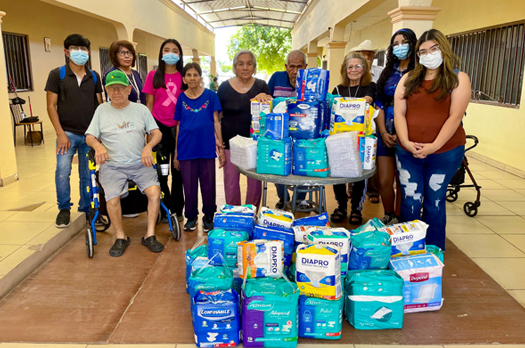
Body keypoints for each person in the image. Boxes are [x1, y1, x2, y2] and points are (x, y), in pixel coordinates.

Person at [394, 29, 470, 250]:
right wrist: (406, 142)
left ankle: (434, 251)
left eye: (433, 49)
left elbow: (455, 116)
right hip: (407, 151)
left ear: (444, 49)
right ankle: (405, 249)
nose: (428, 54)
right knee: (410, 199)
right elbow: (399, 113)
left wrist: (433, 146)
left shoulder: (458, 79)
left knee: (434, 202)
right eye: (423, 51)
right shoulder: (408, 79)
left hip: (445, 153)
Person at [86, 70, 164, 257]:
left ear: (129, 89)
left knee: (154, 193)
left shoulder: (141, 109)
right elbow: (89, 136)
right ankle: (120, 237)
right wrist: (97, 146)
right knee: (112, 198)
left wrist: (148, 146)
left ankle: (150, 234)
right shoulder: (101, 110)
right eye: (112, 88)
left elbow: (157, 133)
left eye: (121, 87)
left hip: (140, 163)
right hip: (112, 165)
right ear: (106, 90)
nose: (117, 92)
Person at [45, 34, 103, 228]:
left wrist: (97, 134)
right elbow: (51, 106)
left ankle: (87, 208)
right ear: (66, 52)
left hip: (89, 135)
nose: (80, 53)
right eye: (75, 49)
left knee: (88, 174)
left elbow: (99, 105)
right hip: (67, 134)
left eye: (84, 49)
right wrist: (60, 133)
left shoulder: (94, 76)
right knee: (62, 171)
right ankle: (63, 209)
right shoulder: (57, 75)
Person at [174, 63, 225, 232]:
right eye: (188, 75)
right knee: (188, 185)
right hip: (186, 147)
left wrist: (221, 145)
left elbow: (216, 122)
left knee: (208, 183)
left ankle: (209, 215)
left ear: (201, 78)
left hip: (206, 146)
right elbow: (179, 125)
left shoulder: (211, 96)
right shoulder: (181, 98)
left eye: (195, 75)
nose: (192, 78)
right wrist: (176, 152)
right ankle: (191, 216)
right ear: (184, 79)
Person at [217, 49, 271, 207]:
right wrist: (219, 145)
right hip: (230, 143)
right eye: (241, 64)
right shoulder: (224, 88)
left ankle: (251, 214)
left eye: (249, 64)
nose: (245, 67)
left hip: (254, 144)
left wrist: (266, 99)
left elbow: (271, 112)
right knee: (231, 183)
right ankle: (234, 214)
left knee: (254, 184)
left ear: (254, 67)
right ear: (235, 67)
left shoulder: (262, 85)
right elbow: (217, 119)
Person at [375, 28, 418, 225]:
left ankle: (402, 218)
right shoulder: (387, 72)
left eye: (405, 42)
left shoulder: (420, 72)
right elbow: (380, 104)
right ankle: (388, 214)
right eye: (396, 43)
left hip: (409, 134)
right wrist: (383, 132)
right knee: (384, 180)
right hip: (386, 132)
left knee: (404, 181)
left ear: (413, 44)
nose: (400, 46)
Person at [330, 53, 376, 225]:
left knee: (360, 174)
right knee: (338, 172)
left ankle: (356, 208)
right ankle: (341, 206)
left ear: (364, 69)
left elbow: (367, 101)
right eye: (350, 67)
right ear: (345, 70)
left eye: (358, 66)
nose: (354, 70)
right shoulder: (337, 90)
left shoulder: (370, 86)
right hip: (340, 138)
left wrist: (347, 105)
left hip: (361, 138)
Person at [143, 39, 185, 222]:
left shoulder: (184, 76)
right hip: (159, 129)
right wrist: (148, 130)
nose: (170, 53)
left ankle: (178, 209)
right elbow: (149, 105)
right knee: (162, 171)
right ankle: (165, 206)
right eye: (166, 50)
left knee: (178, 171)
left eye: (175, 50)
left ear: (180, 55)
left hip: (180, 129)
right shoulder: (153, 75)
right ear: (161, 53)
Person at [267, 50, 310, 209]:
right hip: (280, 134)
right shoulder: (276, 78)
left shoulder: (310, 82)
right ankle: (283, 198)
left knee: (305, 163)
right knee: (277, 163)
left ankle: (298, 200)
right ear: (286, 66)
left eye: (299, 67)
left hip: (304, 134)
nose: (295, 71)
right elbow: (267, 100)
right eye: (292, 66)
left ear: (306, 67)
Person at [349, 40, 382, 203]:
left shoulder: (379, 74)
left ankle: (372, 191)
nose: (366, 57)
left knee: (368, 158)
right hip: (348, 126)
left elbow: (370, 99)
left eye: (369, 54)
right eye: (363, 54)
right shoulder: (346, 80)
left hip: (369, 123)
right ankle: (350, 188)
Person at [103, 40, 146, 104]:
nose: (127, 56)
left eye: (129, 53)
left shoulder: (135, 73)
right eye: (122, 53)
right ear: (115, 55)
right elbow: (111, 101)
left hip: (139, 112)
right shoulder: (112, 74)